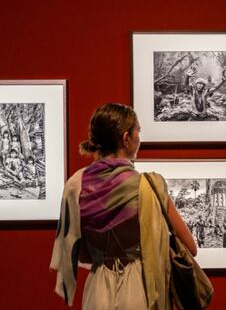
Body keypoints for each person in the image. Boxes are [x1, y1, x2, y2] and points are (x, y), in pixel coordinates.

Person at [50, 103, 196, 310]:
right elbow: (190, 247)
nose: (140, 138)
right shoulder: (150, 186)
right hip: (141, 289)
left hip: (98, 289)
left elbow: (81, 253)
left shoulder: (76, 184)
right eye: (139, 131)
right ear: (126, 138)